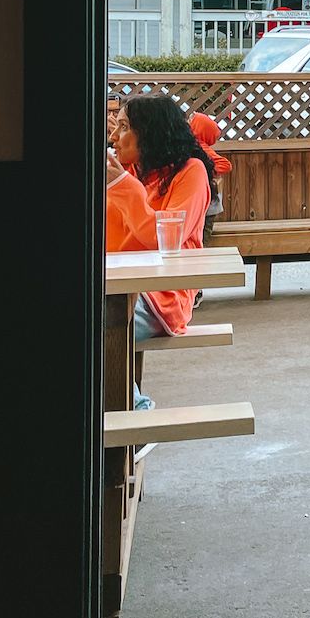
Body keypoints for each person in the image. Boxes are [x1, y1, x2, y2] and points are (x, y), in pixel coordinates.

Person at [106, 95, 215, 408]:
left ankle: (137, 411)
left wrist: (123, 187)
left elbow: (161, 237)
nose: (113, 137)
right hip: (114, 286)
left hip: (162, 296)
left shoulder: (190, 172)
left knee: (90, 327)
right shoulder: (127, 171)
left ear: (150, 131)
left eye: (124, 127)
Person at [189, 111, 232, 244]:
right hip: (205, 204)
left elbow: (226, 165)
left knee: (201, 240)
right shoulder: (195, 145)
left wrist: (203, 170)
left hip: (208, 207)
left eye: (191, 122)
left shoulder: (200, 147)